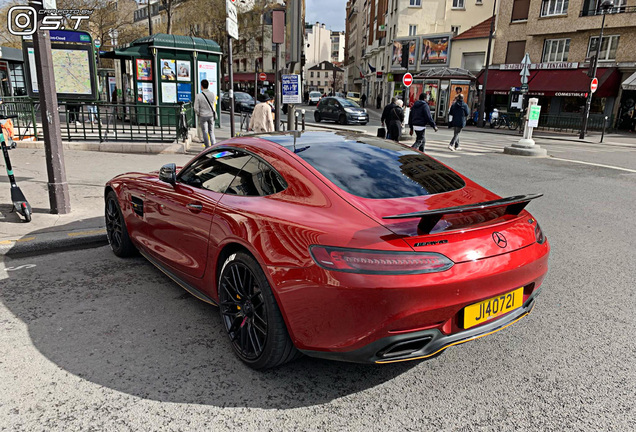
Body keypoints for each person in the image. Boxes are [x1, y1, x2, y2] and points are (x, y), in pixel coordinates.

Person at [193, 79, 217, 148]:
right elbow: (213, 103)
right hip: (211, 115)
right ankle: (213, 146)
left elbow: (196, 108)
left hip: (202, 115)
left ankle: (207, 147)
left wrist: (198, 113)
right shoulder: (212, 94)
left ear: (202, 86)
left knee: (205, 132)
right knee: (211, 131)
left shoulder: (198, 96)